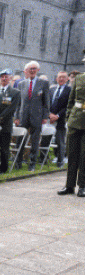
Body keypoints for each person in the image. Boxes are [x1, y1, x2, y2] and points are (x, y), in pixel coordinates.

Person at [14, 61, 50, 171]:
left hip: (37, 116)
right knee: (20, 140)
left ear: (38, 70)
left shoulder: (43, 83)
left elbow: (46, 101)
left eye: (34, 68)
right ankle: (18, 162)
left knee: (35, 141)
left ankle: (32, 163)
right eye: (30, 69)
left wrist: (45, 116)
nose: (32, 70)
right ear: (27, 71)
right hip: (23, 115)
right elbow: (18, 103)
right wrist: (16, 117)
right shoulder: (21, 84)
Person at [58, 60, 85, 197]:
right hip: (75, 120)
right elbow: (71, 100)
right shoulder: (79, 78)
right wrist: (69, 117)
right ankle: (69, 185)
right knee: (72, 153)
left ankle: (82, 186)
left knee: (84, 155)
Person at [49, 71, 71, 167]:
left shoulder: (69, 90)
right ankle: (43, 159)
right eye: (59, 77)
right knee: (46, 139)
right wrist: (49, 114)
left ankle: (60, 161)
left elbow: (68, 105)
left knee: (60, 141)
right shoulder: (52, 89)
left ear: (67, 79)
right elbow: (47, 103)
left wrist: (57, 115)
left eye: (63, 77)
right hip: (49, 118)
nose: (61, 79)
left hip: (61, 119)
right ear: (56, 78)